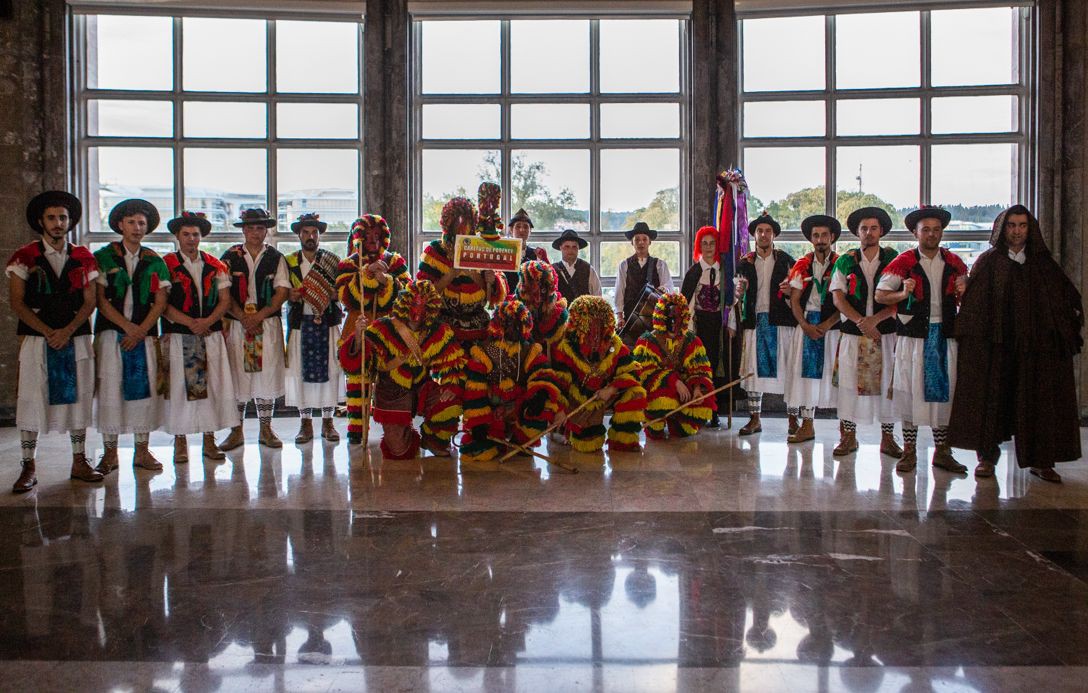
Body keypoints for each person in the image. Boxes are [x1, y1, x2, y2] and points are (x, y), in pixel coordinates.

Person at [949, 205, 1083, 482]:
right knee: (992, 400)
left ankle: (1042, 460)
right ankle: (987, 458)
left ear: (1029, 228)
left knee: (1038, 402)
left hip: (1035, 351)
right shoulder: (988, 262)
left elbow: (1065, 300)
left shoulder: (1043, 265)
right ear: (1002, 228)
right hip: (997, 348)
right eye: (1012, 225)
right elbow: (974, 306)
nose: (1017, 231)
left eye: (1022, 225)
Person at [7, 191, 103, 492]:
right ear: (41, 221)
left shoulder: (83, 257)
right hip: (38, 338)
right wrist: (49, 331)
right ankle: (28, 466)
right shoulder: (25, 256)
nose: (58, 223)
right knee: (31, 399)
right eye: (52, 217)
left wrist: (67, 330)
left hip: (75, 338)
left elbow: (91, 301)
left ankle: (79, 460)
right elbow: (17, 302)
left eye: (63, 217)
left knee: (79, 398)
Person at [876, 206, 968, 474]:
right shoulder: (903, 263)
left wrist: (966, 287)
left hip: (944, 336)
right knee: (909, 392)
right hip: (913, 336)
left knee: (944, 394)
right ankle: (909, 452)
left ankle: (942, 451)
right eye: (925, 230)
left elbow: (966, 295)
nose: (931, 234)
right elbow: (881, 296)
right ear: (915, 232)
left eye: (936, 230)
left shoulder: (954, 262)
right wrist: (903, 294)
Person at [93, 198, 171, 473]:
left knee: (144, 392)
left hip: (145, 335)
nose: (137, 228)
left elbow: (160, 301)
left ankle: (142, 450)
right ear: (119, 225)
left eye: (142, 223)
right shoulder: (103, 258)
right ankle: (110, 453)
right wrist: (127, 328)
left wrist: (141, 330)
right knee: (110, 390)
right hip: (112, 335)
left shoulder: (154, 260)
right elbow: (99, 300)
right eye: (131, 223)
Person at [159, 211, 237, 464]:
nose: (191, 239)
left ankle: (209, 440)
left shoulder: (216, 265)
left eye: (195, 234)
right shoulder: (166, 264)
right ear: (177, 237)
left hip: (210, 335)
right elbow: (162, 304)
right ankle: (180, 442)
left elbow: (225, 301)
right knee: (180, 390)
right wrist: (190, 323)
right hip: (180, 335)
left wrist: (206, 322)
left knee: (212, 387)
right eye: (186, 234)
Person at [361, 280, 466, 458]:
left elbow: (454, 362)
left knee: (450, 399)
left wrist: (451, 386)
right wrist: (358, 335)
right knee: (399, 451)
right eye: (414, 303)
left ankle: (432, 438)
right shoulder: (383, 327)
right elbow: (362, 360)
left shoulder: (438, 330)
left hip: (421, 387)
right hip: (392, 391)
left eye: (423, 305)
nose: (417, 311)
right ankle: (402, 431)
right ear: (405, 302)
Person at [830, 207, 903, 457]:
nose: (869, 232)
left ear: (881, 231)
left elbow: (901, 298)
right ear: (857, 232)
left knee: (888, 385)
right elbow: (838, 298)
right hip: (853, 333)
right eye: (864, 228)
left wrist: (876, 320)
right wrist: (862, 321)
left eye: (873, 228)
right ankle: (848, 437)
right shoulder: (846, 260)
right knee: (849, 385)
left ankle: (888, 438)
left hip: (885, 333)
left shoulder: (895, 259)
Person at [219, 208, 291, 450]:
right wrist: (242, 317)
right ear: (243, 230)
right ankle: (236, 430)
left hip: (266, 322)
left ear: (266, 230)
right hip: (238, 324)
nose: (255, 232)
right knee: (239, 376)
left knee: (266, 376)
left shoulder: (275, 257)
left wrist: (259, 316)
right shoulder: (229, 257)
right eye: (250, 228)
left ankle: (265, 429)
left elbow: (282, 291)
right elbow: (224, 292)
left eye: (260, 228)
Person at [336, 214, 410, 445]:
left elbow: (406, 295)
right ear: (358, 238)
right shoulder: (348, 264)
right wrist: (366, 277)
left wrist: (387, 280)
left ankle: (394, 426)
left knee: (393, 377)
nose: (373, 241)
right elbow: (346, 297)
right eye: (367, 237)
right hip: (359, 326)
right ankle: (357, 428)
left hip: (389, 329)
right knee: (358, 377)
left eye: (377, 237)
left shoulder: (396, 262)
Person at [459, 298, 560, 462]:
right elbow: (474, 390)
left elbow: (543, 374)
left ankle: (520, 440)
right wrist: (478, 423)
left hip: (517, 407)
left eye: (517, 324)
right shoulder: (483, 350)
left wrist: (539, 396)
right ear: (500, 325)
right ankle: (490, 436)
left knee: (546, 402)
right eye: (509, 324)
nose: (513, 329)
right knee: (480, 451)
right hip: (490, 410)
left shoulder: (529, 349)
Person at [548, 295, 646, 453]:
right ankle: (569, 430)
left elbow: (631, 372)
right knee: (588, 445)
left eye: (600, 326)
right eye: (590, 327)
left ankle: (622, 439)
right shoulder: (566, 348)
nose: (595, 334)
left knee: (635, 393)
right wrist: (559, 410)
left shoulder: (614, 345)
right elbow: (558, 385)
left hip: (605, 394)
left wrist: (612, 389)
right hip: (579, 401)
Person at [729, 213, 798, 436]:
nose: (764, 235)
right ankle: (755, 418)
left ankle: (792, 419)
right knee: (753, 372)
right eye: (760, 231)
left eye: (768, 231)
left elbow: (799, 292)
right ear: (754, 235)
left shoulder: (787, 261)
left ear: (774, 234)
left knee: (787, 369)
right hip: (755, 321)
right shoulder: (745, 262)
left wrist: (790, 293)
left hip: (781, 322)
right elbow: (737, 295)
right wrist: (739, 293)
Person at [283, 213, 343, 445]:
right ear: (299, 235)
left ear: (319, 235)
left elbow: (341, 291)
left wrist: (331, 294)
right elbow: (282, 290)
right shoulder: (288, 262)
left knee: (330, 371)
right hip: (300, 324)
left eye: (314, 233)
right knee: (300, 373)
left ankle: (328, 422)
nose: (310, 237)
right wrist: (291, 294)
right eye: (306, 232)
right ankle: (305, 424)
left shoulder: (332, 261)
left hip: (326, 324)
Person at [417, 195, 507, 346]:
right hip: (445, 326)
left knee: (485, 363)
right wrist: (452, 273)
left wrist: (488, 279)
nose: (463, 226)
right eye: (458, 221)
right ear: (448, 223)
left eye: (467, 222)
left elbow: (493, 295)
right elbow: (423, 293)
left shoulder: (482, 248)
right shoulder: (435, 251)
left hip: (479, 325)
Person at [784, 215, 841, 444]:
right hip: (807, 325)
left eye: (824, 235)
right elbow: (795, 300)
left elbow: (844, 300)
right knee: (806, 377)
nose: (820, 240)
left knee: (837, 376)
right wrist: (805, 326)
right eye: (816, 235)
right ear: (811, 239)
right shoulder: (802, 265)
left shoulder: (842, 263)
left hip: (833, 326)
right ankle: (807, 425)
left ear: (832, 237)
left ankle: (847, 432)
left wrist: (827, 325)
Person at [634, 292, 714, 440]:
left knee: (689, 426)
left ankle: (676, 419)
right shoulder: (647, 341)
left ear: (683, 317)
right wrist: (674, 381)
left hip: (685, 393)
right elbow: (645, 374)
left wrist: (697, 389)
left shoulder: (691, 341)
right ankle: (657, 420)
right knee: (658, 414)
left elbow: (701, 368)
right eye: (669, 318)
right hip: (659, 392)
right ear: (661, 317)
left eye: (676, 318)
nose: (672, 323)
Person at [680, 225, 725, 427]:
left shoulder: (724, 270)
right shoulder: (694, 272)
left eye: (712, 243)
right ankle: (698, 408)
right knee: (699, 367)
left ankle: (715, 409)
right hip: (698, 325)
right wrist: (688, 329)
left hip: (719, 327)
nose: (708, 247)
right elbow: (686, 302)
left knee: (716, 366)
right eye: (704, 243)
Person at [615, 221, 674, 348]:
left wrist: (662, 290)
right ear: (632, 242)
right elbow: (619, 292)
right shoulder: (624, 265)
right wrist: (620, 317)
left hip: (655, 318)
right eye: (637, 240)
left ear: (649, 242)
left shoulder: (660, 265)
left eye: (644, 239)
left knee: (653, 351)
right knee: (631, 351)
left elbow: (669, 288)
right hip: (631, 317)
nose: (641, 243)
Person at [514, 260, 568, 353]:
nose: (538, 298)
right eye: (533, 291)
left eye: (542, 290)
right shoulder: (514, 306)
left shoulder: (557, 310)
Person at [503, 208, 549, 292]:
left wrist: (543, 261)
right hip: (507, 302)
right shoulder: (503, 253)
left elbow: (548, 281)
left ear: (530, 231)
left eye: (525, 227)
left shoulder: (536, 254)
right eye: (518, 226)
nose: (522, 230)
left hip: (530, 302)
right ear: (511, 230)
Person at [552, 228, 601, 302]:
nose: (570, 250)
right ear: (560, 247)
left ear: (578, 248)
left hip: (583, 313)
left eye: (574, 247)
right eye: (567, 247)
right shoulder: (552, 270)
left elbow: (597, 296)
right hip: (559, 313)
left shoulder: (588, 269)